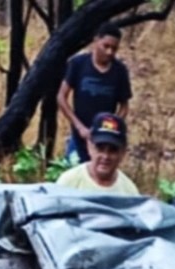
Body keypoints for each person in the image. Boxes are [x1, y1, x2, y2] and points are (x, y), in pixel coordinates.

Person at [57, 24, 132, 164]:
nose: (109, 52)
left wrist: (111, 124)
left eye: (114, 49)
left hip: (104, 138)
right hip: (79, 133)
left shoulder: (120, 71)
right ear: (96, 40)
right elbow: (62, 97)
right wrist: (79, 126)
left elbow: (124, 106)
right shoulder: (78, 64)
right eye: (106, 46)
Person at [55, 112, 138, 196]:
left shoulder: (129, 192)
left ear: (122, 153)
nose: (105, 156)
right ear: (89, 146)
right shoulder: (68, 182)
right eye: (100, 148)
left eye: (113, 150)